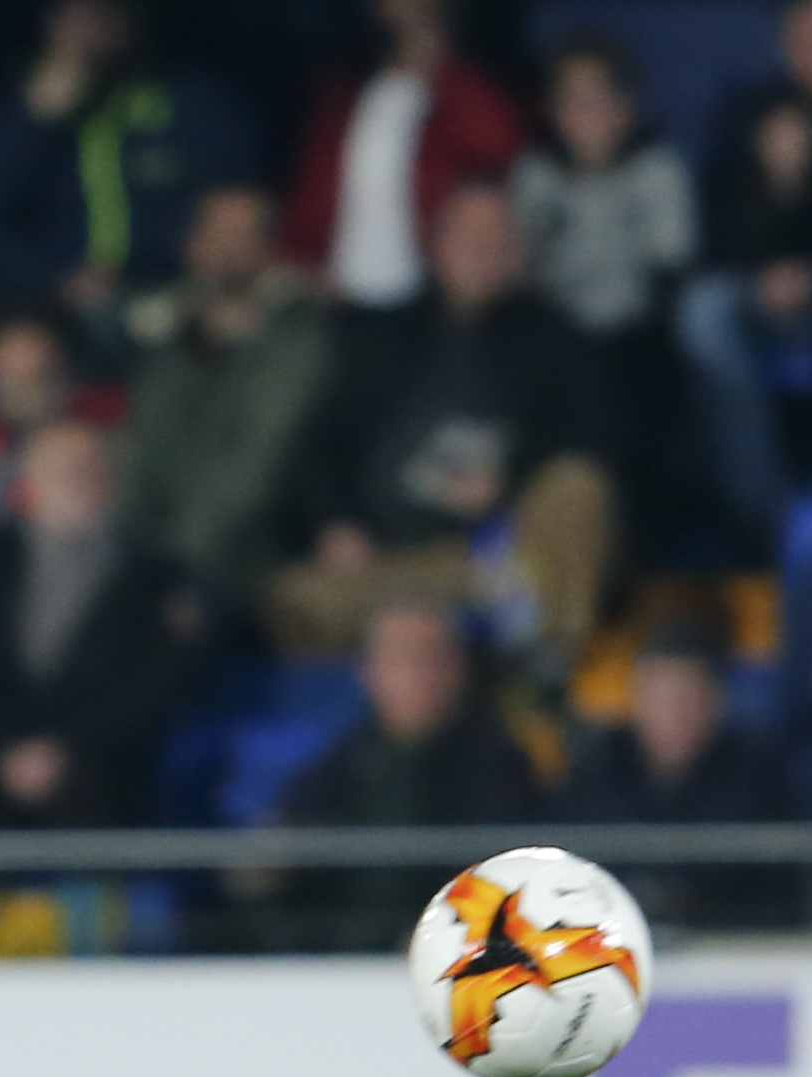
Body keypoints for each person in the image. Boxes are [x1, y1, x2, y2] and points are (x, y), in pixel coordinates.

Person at [275, 185, 618, 668]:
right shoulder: (383, 334)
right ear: (437, 244)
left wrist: (508, 482)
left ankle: (545, 668)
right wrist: (336, 521)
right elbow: (321, 443)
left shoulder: (556, 339)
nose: (483, 248)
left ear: (517, 252)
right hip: (398, 562)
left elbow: (589, 443)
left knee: (578, 492)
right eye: (469, 235)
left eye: (498, 236)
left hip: (505, 561)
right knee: (295, 601)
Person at [0, 419, 211, 828]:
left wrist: (65, 750)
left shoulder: (159, 581)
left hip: (104, 773)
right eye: (64, 471)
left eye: (92, 469)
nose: (81, 482)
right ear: (27, 487)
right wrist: (5, 750)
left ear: (115, 483)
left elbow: (154, 690)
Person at [0, 0, 250, 337]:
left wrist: (125, 277)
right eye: (71, 13)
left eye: (100, 12)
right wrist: (36, 118)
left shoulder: (191, 98)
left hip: (153, 289)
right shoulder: (24, 99)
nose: (85, 27)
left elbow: (232, 209)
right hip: (50, 288)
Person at [275, 596, 539, 949]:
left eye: (432, 658)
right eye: (400, 657)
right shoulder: (334, 770)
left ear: (459, 668)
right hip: (342, 965)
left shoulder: (505, 768)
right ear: (368, 671)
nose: (417, 674)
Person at [509, 36, 694, 528]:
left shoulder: (656, 167)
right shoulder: (536, 173)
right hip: (552, 341)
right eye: (571, 101)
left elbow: (669, 261)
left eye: (600, 99)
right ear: (551, 110)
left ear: (626, 106)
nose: (586, 115)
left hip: (632, 340)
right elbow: (519, 268)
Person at [122, 185, 333, 596]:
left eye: (241, 235)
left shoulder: (299, 337)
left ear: (269, 247)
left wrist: (174, 569)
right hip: (151, 552)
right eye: (214, 232)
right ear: (191, 243)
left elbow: (254, 468)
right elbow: (141, 450)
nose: (225, 249)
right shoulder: (164, 333)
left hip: (247, 562)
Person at [279, 0, 522, 311]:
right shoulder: (343, 95)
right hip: (339, 301)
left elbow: (492, 187)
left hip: (431, 308)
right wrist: (303, 260)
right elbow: (311, 194)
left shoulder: (474, 95)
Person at [559, 617, 797, 929]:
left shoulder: (758, 775)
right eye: (663, 699)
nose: (677, 715)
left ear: (716, 702)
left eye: (690, 699)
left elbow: (774, 890)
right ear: (637, 701)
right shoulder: (596, 766)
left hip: (730, 948)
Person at [678, 4, 812, 541]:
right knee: (701, 312)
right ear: (783, 43)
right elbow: (720, 235)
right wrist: (781, 184)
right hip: (759, 293)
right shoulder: (750, 112)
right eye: (802, 35)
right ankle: (761, 504)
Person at [0, 307, 121, 525]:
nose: (26, 358)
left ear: (60, 356)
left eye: (35, 344)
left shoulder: (99, 414)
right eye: (14, 345)